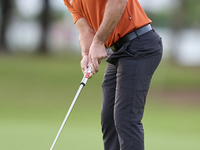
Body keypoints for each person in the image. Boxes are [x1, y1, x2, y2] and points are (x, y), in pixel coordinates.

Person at [64, 0, 163, 150]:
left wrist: (98, 42)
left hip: (139, 45)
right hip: (117, 51)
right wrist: (86, 54)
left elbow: (118, 2)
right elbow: (85, 30)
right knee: (108, 119)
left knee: (125, 118)